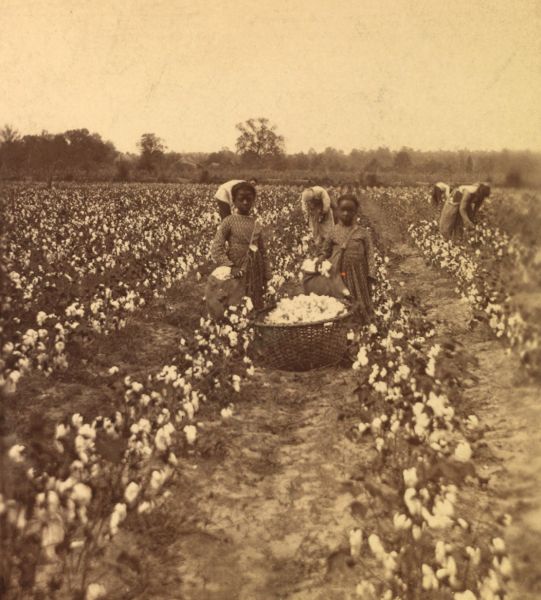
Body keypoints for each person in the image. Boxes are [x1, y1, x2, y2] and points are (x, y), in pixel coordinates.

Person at [210, 181, 270, 310]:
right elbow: (216, 248)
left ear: (253, 201)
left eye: (249, 199)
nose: (245, 202)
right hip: (236, 270)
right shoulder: (228, 221)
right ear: (234, 200)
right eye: (241, 199)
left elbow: (263, 252)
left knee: (254, 304)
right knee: (235, 305)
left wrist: (267, 274)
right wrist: (230, 267)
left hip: (255, 271)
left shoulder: (256, 223)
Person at [318, 194, 375, 322]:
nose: (345, 213)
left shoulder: (363, 232)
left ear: (355, 212)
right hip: (339, 271)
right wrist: (321, 258)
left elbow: (370, 253)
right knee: (341, 295)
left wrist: (371, 273)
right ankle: (342, 321)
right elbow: (325, 250)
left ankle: (359, 320)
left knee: (358, 295)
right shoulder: (333, 231)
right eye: (342, 210)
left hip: (358, 272)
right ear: (337, 211)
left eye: (350, 210)